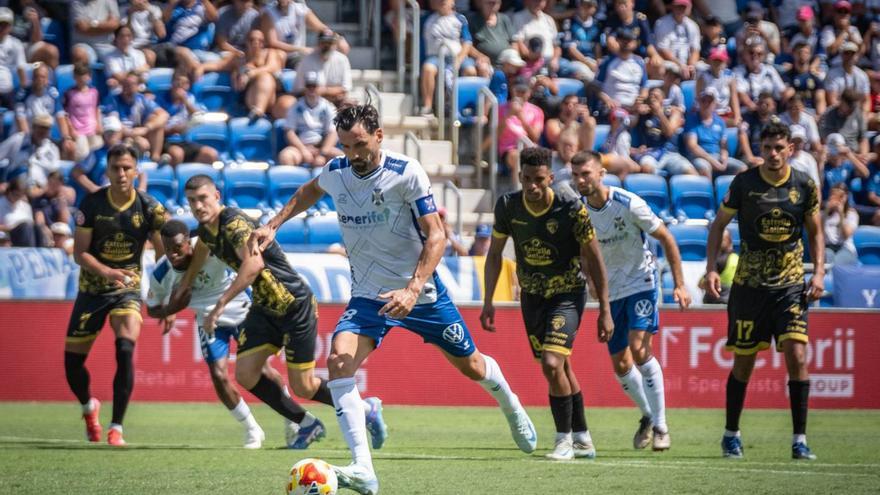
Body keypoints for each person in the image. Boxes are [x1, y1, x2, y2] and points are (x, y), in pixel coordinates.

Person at [253, 103, 537, 493]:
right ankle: (363, 469)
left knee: (471, 365)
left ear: (379, 136)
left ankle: (510, 404)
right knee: (338, 361)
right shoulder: (336, 172)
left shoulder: (406, 174)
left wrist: (413, 288)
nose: (353, 154)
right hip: (368, 297)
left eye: (360, 144)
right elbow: (309, 191)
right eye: (346, 146)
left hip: (421, 295)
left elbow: (436, 236)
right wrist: (273, 224)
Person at [178, 174, 388, 451]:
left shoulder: (234, 224)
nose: (198, 206)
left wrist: (219, 307)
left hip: (293, 305)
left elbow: (253, 266)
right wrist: (185, 284)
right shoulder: (207, 230)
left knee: (303, 385)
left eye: (203, 198)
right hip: (264, 308)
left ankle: (365, 409)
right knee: (246, 374)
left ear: (216, 195)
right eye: (192, 201)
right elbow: (203, 249)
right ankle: (307, 424)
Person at [481, 146, 611, 461]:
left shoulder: (569, 207)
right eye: (526, 179)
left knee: (552, 364)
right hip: (532, 297)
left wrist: (605, 308)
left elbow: (594, 255)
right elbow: (495, 254)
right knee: (560, 367)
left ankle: (563, 440)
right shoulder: (509, 206)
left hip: (567, 294)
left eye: (539, 179)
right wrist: (488, 301)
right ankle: (582, 437)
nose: (532, 186)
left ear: (550, 177)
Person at [705, 121, 824, 460]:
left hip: (790, 286)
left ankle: (800, 440)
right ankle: (731, 434)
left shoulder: (804, 185)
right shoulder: (744, 183)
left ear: (791, 149)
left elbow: (815, 232)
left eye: (779, 147)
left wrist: (817, 274)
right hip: (750, 288)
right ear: (760, 149)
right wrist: (712, 268)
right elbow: (718, 225)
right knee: (744, 362)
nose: (773, 154)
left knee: (798, 356)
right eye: (767, 147)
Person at [570, 149, 691, 451]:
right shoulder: (579, 212)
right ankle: (648, 415)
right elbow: (585, 254)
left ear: (600, 173)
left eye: (586, 174)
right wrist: (593, 287)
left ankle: (662, 426)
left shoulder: (628, 203)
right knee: (620, 363)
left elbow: (667, 237)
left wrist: (679, 284)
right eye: (576, 175)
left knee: (639, 349)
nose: (580, 180)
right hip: (612, 292)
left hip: (641, 282)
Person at [64, 143, 167, 446]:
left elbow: (163, 262)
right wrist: (108, 272)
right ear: (107, 171)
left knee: (125, 349)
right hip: (92, 290)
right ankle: (88, 406)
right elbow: (79, 254)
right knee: (72, 365)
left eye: (126, 168)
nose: (121, 173)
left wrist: (165, 302)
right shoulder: (92, 204)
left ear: (136, 172)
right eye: (115, 168)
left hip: (128, 290)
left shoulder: (150, 209)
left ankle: (117, 427)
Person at [145, 219, 281, 448]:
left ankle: (291, 417)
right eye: (167, 249)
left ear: (189, 242)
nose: (172, 254)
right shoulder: (161, 272)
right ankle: (252, 429)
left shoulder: (208, 247)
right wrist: (169, 310)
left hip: (240, 309)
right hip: (208, 321)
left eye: (177, 247)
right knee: (218, 375)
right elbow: (151, 308)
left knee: (263, 370)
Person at [278, 71, 341, 167]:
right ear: (305, 88)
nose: (312, 89)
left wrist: (322, 153)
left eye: (314, 86)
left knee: (342, 159)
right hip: (301, 147)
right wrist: (303, 150)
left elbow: (333, 133)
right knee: (286, 156)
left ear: (320, 87)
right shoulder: (295, 107)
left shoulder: (328, 107)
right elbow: (289, 132)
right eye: (309, 86)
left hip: (322, 148)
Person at [103, 71, 169, 162]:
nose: (128, 88)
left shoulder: (142, 99)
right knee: (141, 144)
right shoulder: (112, 99)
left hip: (137, 131)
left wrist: (146, 128)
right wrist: (130, 133)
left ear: (138, 86)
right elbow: (113, 120)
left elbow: (164, 115)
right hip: (120, 134)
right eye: (125, 84)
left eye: (132, 85)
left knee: (155, 120)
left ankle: (155, 158)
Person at [683, 87, 747, 177]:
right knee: (704, 167)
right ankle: (708, 190)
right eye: (703, 101)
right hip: (699, 157)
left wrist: (724, 158)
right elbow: (692, 146)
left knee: (742, 168)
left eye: (710, 101)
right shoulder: (692, 120)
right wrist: (711, 160)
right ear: (699, 102)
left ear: (715, 104)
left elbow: (723, 146)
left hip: (717, 155)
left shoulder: (720, 122)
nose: (706, 104)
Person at [232, 29, 284, 120]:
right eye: (252, 40)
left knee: (288, 103)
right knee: (265, 77)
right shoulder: (239, 59)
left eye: (260, 41)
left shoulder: (270, 53)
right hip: (251, 98)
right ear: (246, 42)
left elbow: (272, 67)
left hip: (273, 97)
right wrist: (202, 67)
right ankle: (258, 111)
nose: (256, 43)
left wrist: (251, 74)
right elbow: (219, 65)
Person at [293, 30, 352, 106]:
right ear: (318, 44)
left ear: (335, 45)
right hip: (310, 103)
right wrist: (329, 91)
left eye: (330, 43)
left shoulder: (342, 60)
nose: (327, 46)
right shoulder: (306, 60)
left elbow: (345, 89)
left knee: (349, 104)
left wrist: (323, 91)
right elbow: (300, 89)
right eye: (324, 43)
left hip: (336, 102)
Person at [60, 63, 103, 162]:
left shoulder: (94, 92)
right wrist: (71, 130)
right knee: (82, 155)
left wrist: (98, 124)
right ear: (74, 77)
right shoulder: (69, 93)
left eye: (85, 75)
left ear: (89, 76)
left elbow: (97, 109)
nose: (82, 78)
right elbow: (65, 114)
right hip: (78, 131)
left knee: (98, 155)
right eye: (79, 75)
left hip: (92, 129)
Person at [653, 0, 700, 80]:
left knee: (703, 69)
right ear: (672, 7)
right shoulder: (661, 23)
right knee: (670, 69)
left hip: (687, 63)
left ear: (689, 8)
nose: (680, 10)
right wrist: (680, 64)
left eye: (683, 7)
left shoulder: (693, 25)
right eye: (678, 7)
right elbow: (662, 50)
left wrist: (691, 65)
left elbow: (695, 49)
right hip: (670, 62)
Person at [71, 0, 121, 65]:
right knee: (79, 54)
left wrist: (92, 24)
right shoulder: (76, 2)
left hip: (106, 45)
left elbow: (114, 24)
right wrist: (106, 26)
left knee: (120, 57)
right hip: (84, 44)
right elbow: (82, 28)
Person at [102, 25, 151, 92]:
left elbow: (145, 78)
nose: (125, 39)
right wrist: (137, 71)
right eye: (122, 36)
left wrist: (128, 75)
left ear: (132, 38)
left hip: (140, 91)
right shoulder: (109, 57)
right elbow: (120, 77)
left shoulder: (139, 54)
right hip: (120, 92)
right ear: (116, 38)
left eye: (128, 36)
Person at [822, 183, 859, 265]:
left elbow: (846, 235)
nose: (837, 199)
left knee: (836, 263)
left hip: (845, 248)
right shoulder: (823, 214)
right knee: (827, 258)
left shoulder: (851, 214)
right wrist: (826, 211)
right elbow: (817, 232)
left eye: (841, 196)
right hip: (828, 247)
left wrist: (841, 214)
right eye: (834, 195)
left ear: (846, 197)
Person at [699, 228, 737, 304]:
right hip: (733, 301)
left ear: (729, 241)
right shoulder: (737, 258)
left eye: (721, 240)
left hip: (718, 302)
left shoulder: (720, 260)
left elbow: (701, 284)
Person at [0, 8, 28, 108]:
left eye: (6, 24)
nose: (2, 28)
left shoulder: (16, 44)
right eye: (1, 24)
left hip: (7, 91)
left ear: (11, 26)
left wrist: (24, 89)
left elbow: (21, 68)